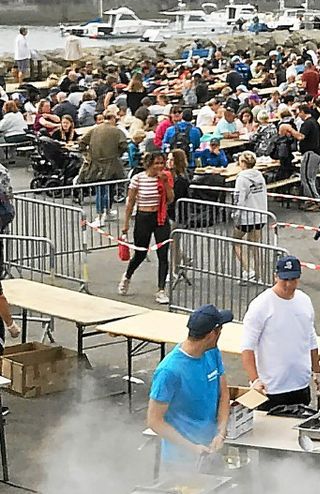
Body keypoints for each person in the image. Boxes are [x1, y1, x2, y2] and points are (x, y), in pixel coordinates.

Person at [146, 304, 232, 468]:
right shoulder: (169, 371)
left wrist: (220, 433)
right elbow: (154, 421)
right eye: (220, 329)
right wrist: (192, 448)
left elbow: (224, 395)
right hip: (180, 460)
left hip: (212, 451)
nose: (221, 333)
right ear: (212, 334)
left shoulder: (212, 352)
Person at [240, 255, 320, 410]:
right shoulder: (261, 305)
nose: (288, 284)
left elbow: (311, 338)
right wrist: (255, 380)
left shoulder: (304, 301)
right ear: (275, 277)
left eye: (292, 279)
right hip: (271, 389)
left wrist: (317, 371)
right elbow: (247, 348)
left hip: (300, 385)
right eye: (284, 279)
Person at [120, 150, 175, 304]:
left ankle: (161, 290)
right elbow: (130, 202)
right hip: (143, 217)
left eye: (162, 163)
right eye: (156, 163)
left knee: (163, 255)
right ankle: (127, 276)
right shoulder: (138, 179)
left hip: (160, 218)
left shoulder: (164, 178)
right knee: (140, 253)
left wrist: (165, 184)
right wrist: (125, 225)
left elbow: (171, 199)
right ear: (149, 164)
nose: (159, 166)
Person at [78, 107, 127, 224]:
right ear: (113, 119)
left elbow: (82, 142)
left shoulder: (94, 129)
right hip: (112, 163)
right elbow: (124, 145)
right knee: (109, 188)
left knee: (100, 189)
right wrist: (117, 154)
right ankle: (106, 212)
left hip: (96, 164)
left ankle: (101, 215)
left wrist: (87, 154)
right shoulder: (117, 131)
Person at [230, 152, 269, 279]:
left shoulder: (241, 178)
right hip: (260, 214)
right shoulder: (260, 176)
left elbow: (239, 199)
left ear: (243, 163)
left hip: (246, 216)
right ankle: (259, 273)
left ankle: (247, 269)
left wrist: (235, 214)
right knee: (254, 245)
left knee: (236, 241)